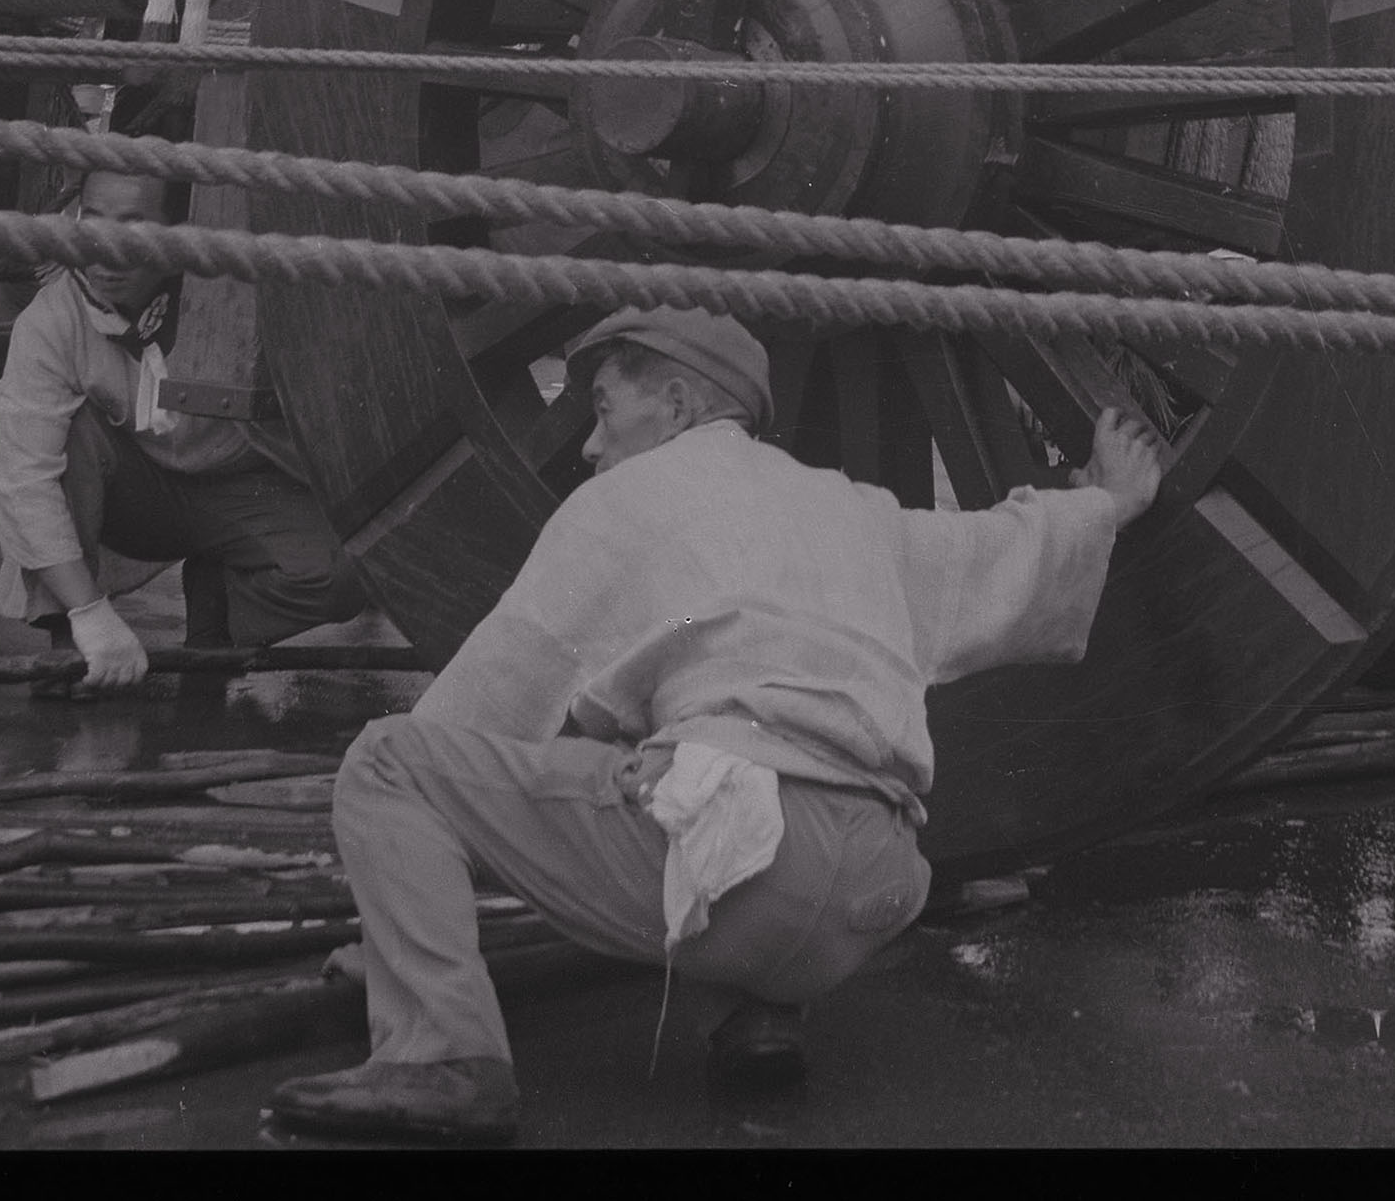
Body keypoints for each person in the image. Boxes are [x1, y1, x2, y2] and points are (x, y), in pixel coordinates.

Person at [267, 307, 1164, 1143]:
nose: (589, 444)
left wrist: (394, 930)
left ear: (677, 404)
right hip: (879, 889)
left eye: (603, 408)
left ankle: (441, 1058)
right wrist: (1105, 504)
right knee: (683, 752)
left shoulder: (624, 500)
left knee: (391, 763)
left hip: (749, 875)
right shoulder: (851, 505)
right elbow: (992, 552)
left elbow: (492, 701)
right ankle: (756, 1017)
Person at [0, 164, 372, 681]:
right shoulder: (53, 317)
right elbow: (25, 478)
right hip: (137, 495)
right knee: (66, 439)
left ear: (179, 232)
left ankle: (218, 613)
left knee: (344, 576)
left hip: (244, 483)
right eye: (93, 221)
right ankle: (71, 636)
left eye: (134, 226)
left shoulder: (237, 285)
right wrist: (89, 614)